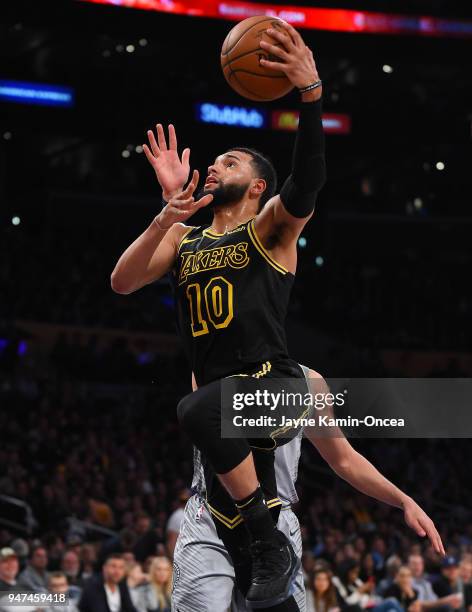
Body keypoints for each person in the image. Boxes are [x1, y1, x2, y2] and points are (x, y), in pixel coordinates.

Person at [111, 21, 444, 609]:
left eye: (230, 160)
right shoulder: (183, 240)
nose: (215, 165)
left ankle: (268, 537)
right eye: (213, 160)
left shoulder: (269, 230)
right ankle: (261, 543)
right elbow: (123, 281)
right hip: (210, 512)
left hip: (276, 389)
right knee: (203, 404)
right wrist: (166, 212)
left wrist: (310, 95)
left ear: (259, 184)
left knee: (197, 405)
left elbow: (342, 458)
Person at [172, 368, 445, 612]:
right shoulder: (211, 367)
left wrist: (403, 500)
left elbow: (344, 459)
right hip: (213, 515)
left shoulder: (309, 382)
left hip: (276, 520)